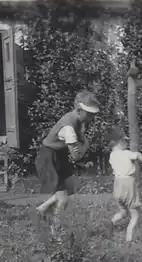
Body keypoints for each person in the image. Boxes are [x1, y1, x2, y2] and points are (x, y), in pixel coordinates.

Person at [35, 90, 100, 234]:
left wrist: (83, 142)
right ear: (78, 110)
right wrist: (86, 146)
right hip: (48, 158)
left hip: (59, 155)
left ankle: (43, 208)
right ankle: (56, 233)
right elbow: (77, 156)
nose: (91, 118)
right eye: (89, 114)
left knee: (72, 186)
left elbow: (80, 141)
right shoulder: (68, 127)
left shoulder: (78, 121)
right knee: (63, 200)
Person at [106, 128, 142, 242]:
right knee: (135, 215)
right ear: (120, 143)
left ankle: (112, 222)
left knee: (123, 212)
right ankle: (129, 239)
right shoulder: (128, 153)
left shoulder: (112, 156)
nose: (127, 143)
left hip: (117, 186)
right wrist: (140, 155)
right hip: (128, 186)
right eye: (125, 141)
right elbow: (141, 158)